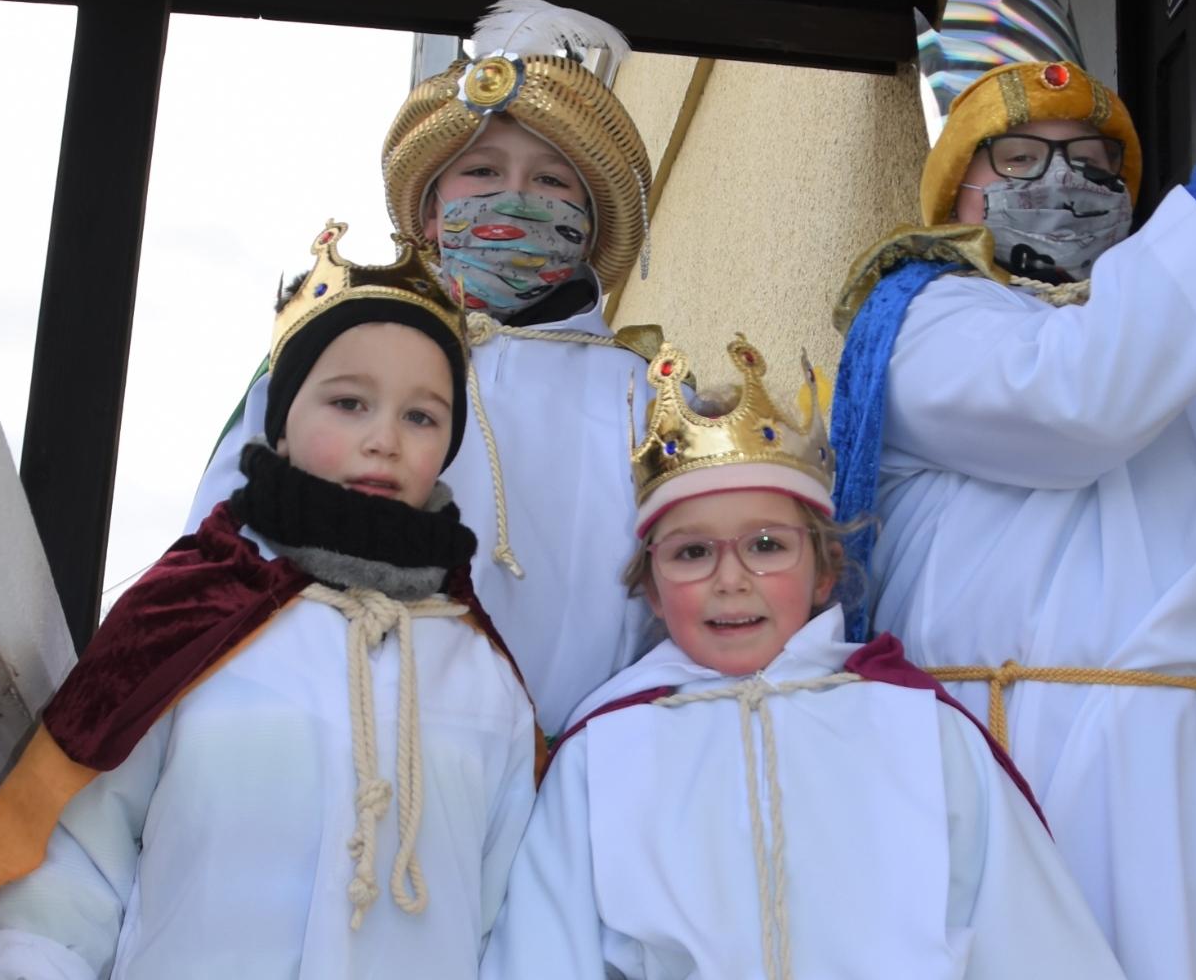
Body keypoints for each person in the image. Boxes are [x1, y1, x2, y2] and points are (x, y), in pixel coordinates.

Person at [827, 0, 1196, 979]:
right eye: (1016, 156)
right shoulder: (926, 319)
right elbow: (1076, 402)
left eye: (1091, 158)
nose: (1062, 180)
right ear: (957, 193)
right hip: (1043, 765)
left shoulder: (1152, 344)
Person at [0, 223, 537, 980]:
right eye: (349, 401)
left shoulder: (486, 679)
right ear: (281, 422)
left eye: (422, 415)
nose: (384, 437)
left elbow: (510, 924)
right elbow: (71, 866)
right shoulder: (185, 619)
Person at [481, 336, 1127, 980]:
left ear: (825, 570)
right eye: (692, 552)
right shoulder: (603, 756)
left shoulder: (920, 729)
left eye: (766, 545)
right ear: (649, 585)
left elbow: (1028, 933)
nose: (730, 579)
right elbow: (544, 950)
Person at [185, 0, 658, 737]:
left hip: (566, 775)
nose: (514, 196)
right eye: (482, 169)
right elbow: (221, 534)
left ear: (590, 219)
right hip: (326, 740)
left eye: (552, 181)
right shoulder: (337, 353)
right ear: (431, 213)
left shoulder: (646, 396)